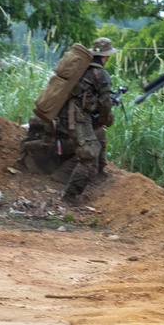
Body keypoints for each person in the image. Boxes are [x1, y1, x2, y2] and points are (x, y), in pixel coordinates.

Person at [57, 37, 115, 205]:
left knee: (99, 137)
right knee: (89, 155)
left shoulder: (83, 69)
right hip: (77, 118)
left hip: (67, 115)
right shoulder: (101, 73)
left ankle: (99, 174)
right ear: (106, 56)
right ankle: (69, 197)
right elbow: (106, 102)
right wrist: (105, 119)